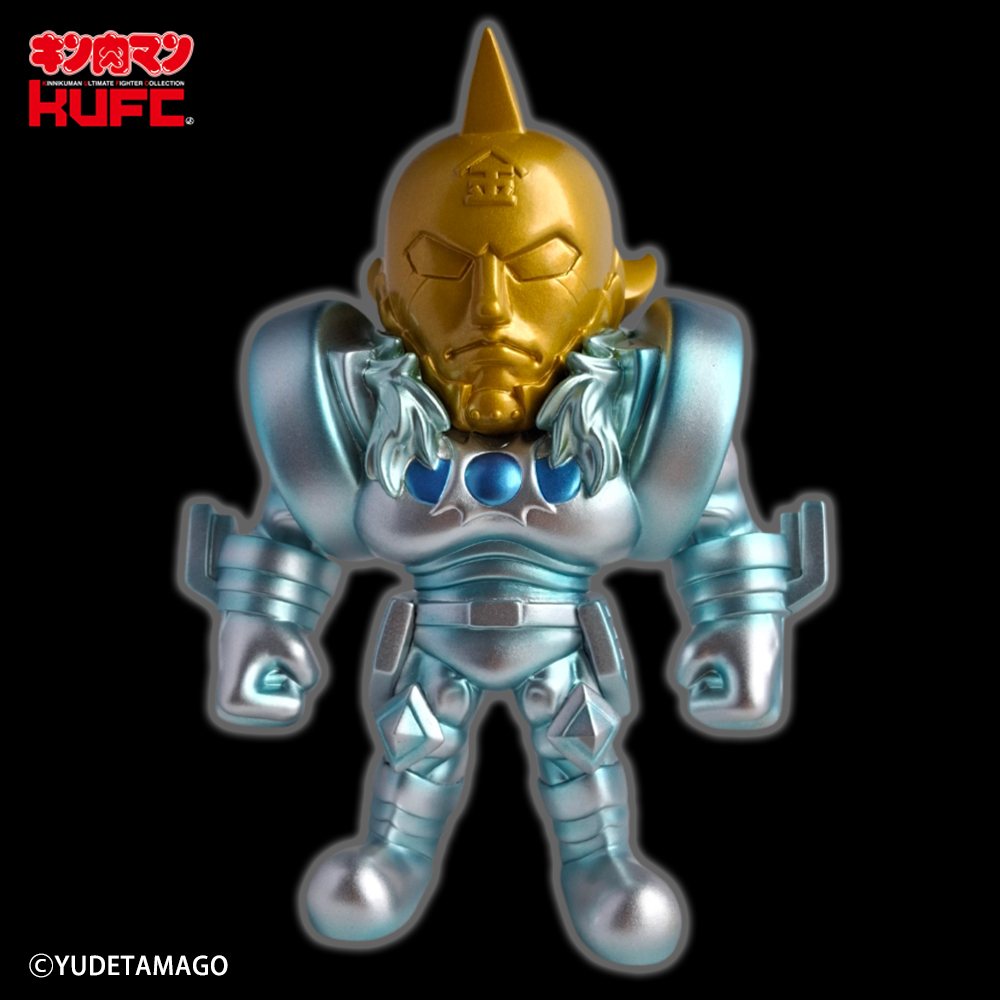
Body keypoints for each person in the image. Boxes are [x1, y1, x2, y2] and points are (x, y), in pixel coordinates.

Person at [184, 27, 828, 968]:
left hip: (567, 649)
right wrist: (264, 632)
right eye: (445, 268)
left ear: (614, 293)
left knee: (582, 749)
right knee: (415, 748)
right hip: (428, 647)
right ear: (387, 298)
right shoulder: (358, 413)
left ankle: (602, 862)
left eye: (537, 265)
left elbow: (718, 524)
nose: (489, 307)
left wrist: (741, 630)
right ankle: (393, 855)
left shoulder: (650, 410)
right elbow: (294, 525)